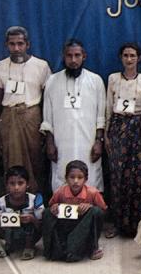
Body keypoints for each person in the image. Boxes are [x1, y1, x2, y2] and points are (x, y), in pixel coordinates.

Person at [0, 26, 52, 194]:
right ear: (6, 45)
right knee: (11, 160)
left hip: (32, 116)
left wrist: (46, 128)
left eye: (20, 44)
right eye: (12, 44)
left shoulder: (41, 66)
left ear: (27, 44)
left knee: (36, 160)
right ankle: (13, 201)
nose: (16, 48)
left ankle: (36, 201)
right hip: (9, 117)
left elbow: (47, 100)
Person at [40, 38, 106, 192]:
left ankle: (90, 212)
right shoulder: (52, 81)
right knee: (61, 180)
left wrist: (99, 141)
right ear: (64, 57)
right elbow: (47, 116)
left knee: (90, 182)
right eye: (69, 56)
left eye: (77, 55)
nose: (73, 60)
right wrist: (49, 143)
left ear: (84, 56)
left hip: (88, 143)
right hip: (61, 143)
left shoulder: (95, 81)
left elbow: (101, 117)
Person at [104, 42, 141, 238]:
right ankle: (117, 223)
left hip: (137, 130)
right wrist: (106, 134)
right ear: (121, 57)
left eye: (133, 55)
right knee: (117, 177)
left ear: (139, 58)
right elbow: (108, 107)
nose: (129, 59)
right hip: (117, 129)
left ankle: (137, 225)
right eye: (126, 55)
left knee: (137, 178)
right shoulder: (113, 79)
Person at [43, 160, 107, 262]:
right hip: (65, 225)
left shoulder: (93, 193)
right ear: (66, 179)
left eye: (80, 177)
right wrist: (54, 207)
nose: (76, 181)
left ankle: (93, 247)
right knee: (46, 212)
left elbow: (103, 211)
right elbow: (50, 207)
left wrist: (90, 207)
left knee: (96, 211)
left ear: (85, 179)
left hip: (84, 226)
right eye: (72, 177)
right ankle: (52, 247)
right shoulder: (60, 192)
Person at [0, 165, 44, 260]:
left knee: (29, 223)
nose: (16, 187)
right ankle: (8, 245)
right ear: (6, 185)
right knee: (2, 222)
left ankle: (29, 247)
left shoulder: (34, 200)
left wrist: (32, 219)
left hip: (31, 234)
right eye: (12, 183)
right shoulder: (1, 202)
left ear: (27, 184)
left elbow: (42, 224)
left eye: (20, 183)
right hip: (10, 233)